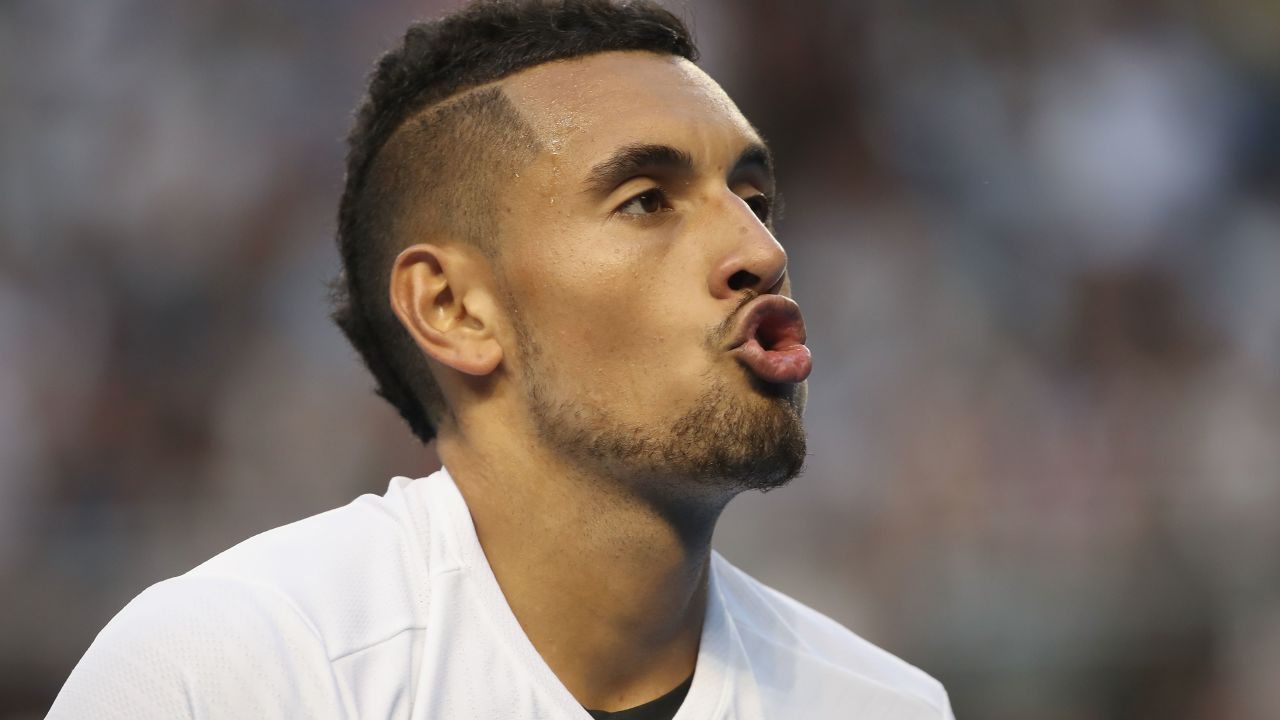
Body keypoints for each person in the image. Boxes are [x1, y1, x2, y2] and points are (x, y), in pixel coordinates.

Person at [49, 1, 954, 718]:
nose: (760, 249)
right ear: (453, 309)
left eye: (753, 195)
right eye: (647, 200)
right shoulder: (228, 671)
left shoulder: (883, 704)